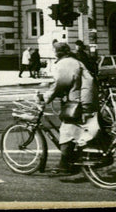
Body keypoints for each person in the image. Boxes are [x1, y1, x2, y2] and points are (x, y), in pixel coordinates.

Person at [37, 41, 98, 177]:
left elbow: (60, 84)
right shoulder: (74, 61)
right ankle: (73, 160)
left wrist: (45, 98)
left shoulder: (65, 64)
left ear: (57, 52)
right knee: (77, 131)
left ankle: (65, 165)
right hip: (85, 99)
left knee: (67, 131)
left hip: (76, 102)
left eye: (54, 51)